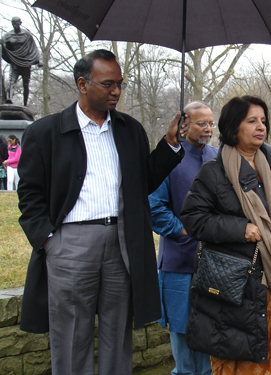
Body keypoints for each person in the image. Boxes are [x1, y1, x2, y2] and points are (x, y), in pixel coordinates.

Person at [17, 49, 188, 375]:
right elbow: (29, 195)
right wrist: (48, 240)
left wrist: (170, 144)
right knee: (71, 336)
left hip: (122, 244)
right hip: (70, 244)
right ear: (82, 84)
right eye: (107, 84)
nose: (116, 91)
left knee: (117, 333)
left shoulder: (130, 130)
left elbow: (143, 182)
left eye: (120, 84)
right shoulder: (46, 132)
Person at [180, 95, 271, 375]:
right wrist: (240, 229)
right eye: (252, 121)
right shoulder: (214, 171)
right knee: (238, 362)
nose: (261, 126)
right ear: (233, 127)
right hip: (232, 289)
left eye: (263, 121)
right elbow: (193, 219)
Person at [149, 101, 217, 375]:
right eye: (203, 123)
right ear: (185, 123)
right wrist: (182, 229)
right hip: (178, 263)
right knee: (182, 331)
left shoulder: (218, 156)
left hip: (214, 263)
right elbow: (153, 205)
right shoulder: (167, 157)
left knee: (210, 330)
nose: (209, 129)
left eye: (211, 123)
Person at [0, 17, 42, 106]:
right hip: (14, 63)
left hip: (25, 63)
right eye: (13, 23)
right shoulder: (8, 36)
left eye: (16, 23)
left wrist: (39, 60)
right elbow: (4, 48)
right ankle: (9, 99)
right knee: (12, 81)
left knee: (26, 84)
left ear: (20, 23)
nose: (15, 25)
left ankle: (25, 104)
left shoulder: (26, 35)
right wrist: (3, 46)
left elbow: (34, 48)